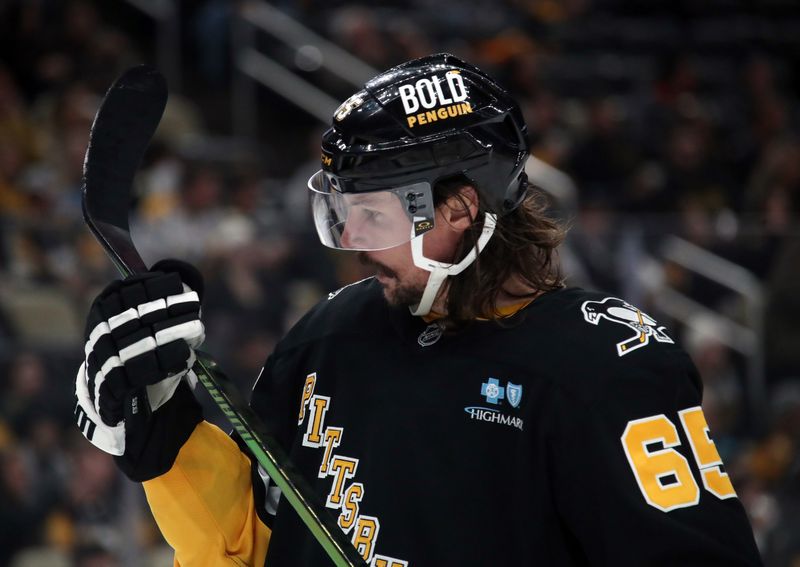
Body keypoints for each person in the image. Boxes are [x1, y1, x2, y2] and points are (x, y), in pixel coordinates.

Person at [73, 53, 763, 566]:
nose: (352, 246)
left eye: (370, 218)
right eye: (341, 218)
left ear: (460, 210)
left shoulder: (602, 367)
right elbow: (252, 548)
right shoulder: (331, 336)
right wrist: (166, 438)